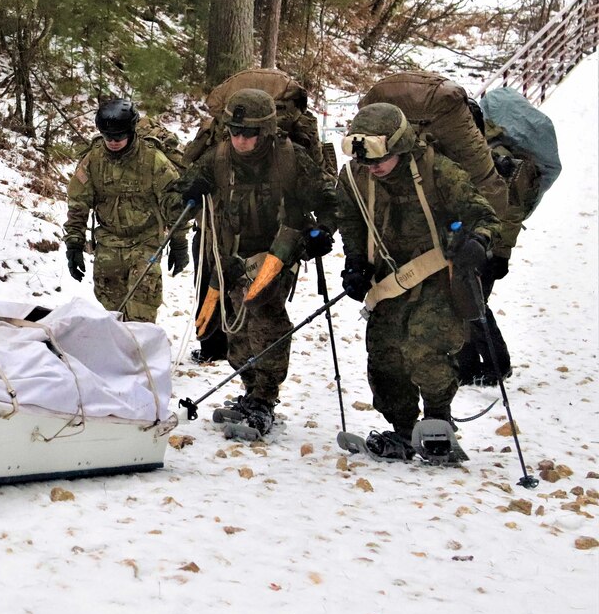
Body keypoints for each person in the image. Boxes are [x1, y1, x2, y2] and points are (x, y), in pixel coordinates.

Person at [336, 103, 500, 460]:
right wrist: (355, 264)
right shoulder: (355, 179)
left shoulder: (437, 170)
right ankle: (402, 428)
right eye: (364, 159)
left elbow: (484, 215)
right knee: (384, 355)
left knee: (426, 348)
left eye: (380, 158)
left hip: (439, 277)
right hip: (388, 280)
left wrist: (478, 241)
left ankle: (438, 420)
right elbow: (350, 220)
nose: (373, 167)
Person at [179, 89, 338, 436]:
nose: (240, 139)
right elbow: (185, 183)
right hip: (232, 253)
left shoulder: (289, 158)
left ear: (265, 131)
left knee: (265, 318)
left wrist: (322, 231)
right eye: (234, 131)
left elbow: (327, 197)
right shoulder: (219, 157)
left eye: (248, 133)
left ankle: (265, 396)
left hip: (277, 249)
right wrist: (190, 189)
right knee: (236, 320)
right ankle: (249, 387)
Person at [63, 98, 188, 323]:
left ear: (130, 132)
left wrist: (179, 243)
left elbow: (175, 204)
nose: (113, 142)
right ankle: (119, 355)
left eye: (119, 136)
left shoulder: (153, 159)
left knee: (142, 310)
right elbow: (78, 203)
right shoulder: (93, 159)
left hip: (145, 241)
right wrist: (74, 243)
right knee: (113, 313)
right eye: (108, 137)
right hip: (109, 242)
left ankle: (141, 354)